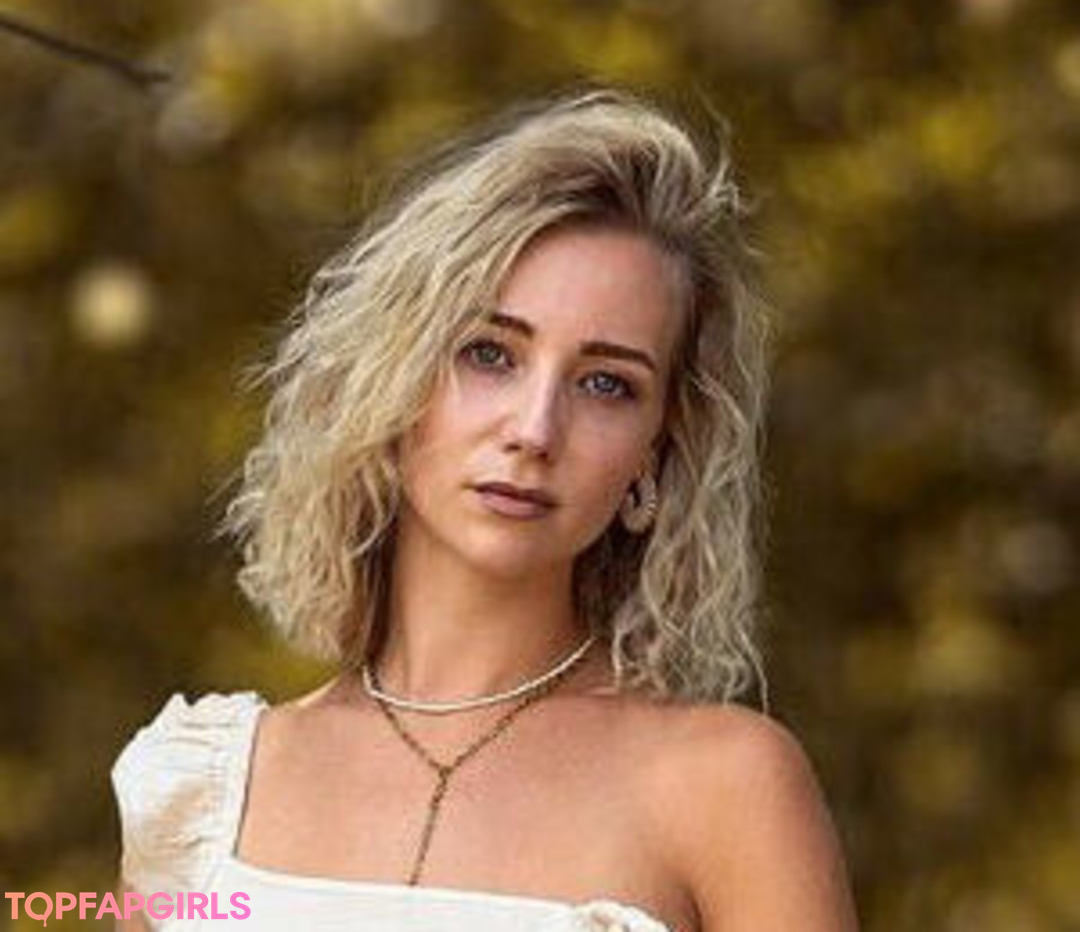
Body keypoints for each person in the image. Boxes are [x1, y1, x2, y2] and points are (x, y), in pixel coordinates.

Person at [111, 86, 861, 932]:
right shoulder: (203, 797)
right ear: (393, 377)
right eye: (490, 354)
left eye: (606, 384)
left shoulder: (723, 785)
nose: (534, 430)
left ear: (655, 450)